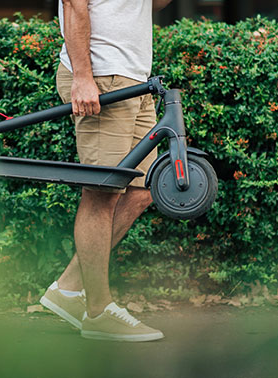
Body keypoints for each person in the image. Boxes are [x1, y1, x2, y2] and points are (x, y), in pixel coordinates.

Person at [40, 0, 173, 342]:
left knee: (142, 189)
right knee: (102, 193)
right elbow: (73, 3)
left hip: (133, 77)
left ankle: (68, 290)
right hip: (103, 76)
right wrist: (83, 77)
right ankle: (98, 312)